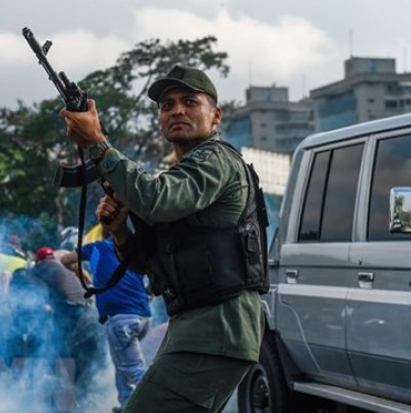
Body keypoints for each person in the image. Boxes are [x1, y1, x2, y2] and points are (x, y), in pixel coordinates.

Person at [60, 65, 268, 413]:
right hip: (201, 332)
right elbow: (147, 265)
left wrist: (98, 144)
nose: (177, 111)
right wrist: (120, 228)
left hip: (214, 333)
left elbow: (156, 199)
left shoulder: (215, 160)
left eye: (190, 102)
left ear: (215, 116)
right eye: (167, 105)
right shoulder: (184, 176)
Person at [60, 230, 152, 412]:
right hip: (143, 317)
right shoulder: (134, 250)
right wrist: (148, 292)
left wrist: (81, 273)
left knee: (133, 368)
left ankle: (160, 405)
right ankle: (127, 404)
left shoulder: (97, 247)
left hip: (121, 320)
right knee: (122, 363)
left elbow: (65, 260)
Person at [29, 246, 103, 407]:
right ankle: (85, 404)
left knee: (59, 359)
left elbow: (29, 292)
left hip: (73, 317)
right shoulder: (67, 267)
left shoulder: (40, 268)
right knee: (84, 366)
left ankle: (61, 404)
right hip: (92, 317)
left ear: (38, 260)